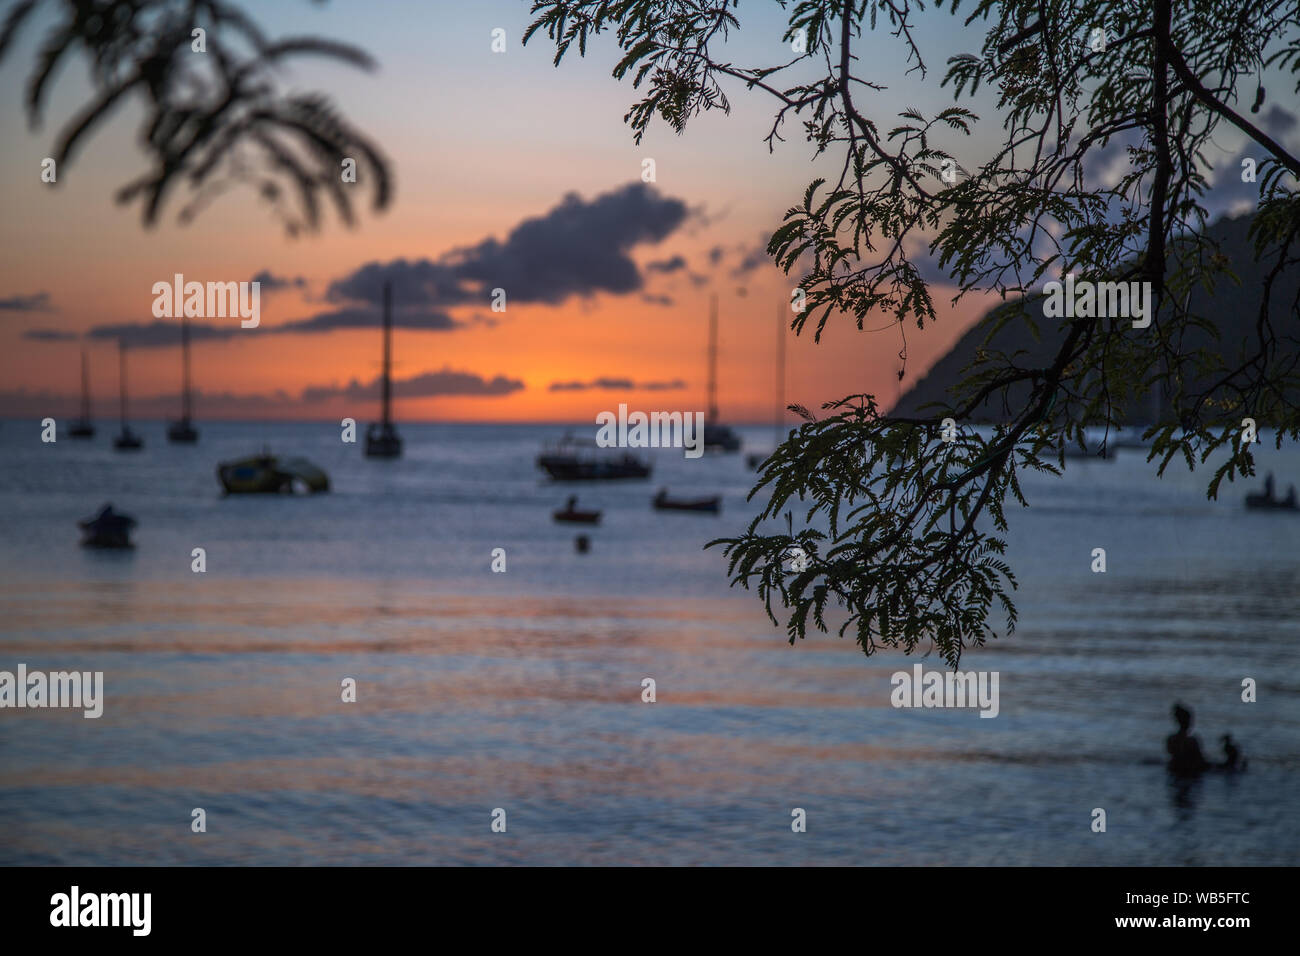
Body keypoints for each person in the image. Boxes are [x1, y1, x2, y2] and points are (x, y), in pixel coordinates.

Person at [1166, 702, 1210, 775]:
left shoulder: (1171, 739)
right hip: (1190, 773)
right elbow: (1200, 760)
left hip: (1174, 771)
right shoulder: (1192, 741)